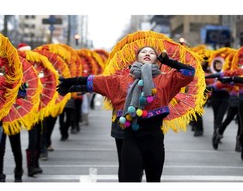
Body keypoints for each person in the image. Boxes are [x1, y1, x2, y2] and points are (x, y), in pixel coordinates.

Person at [57, 46, 195, 182]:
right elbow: (96, 81)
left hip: (155, 140)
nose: (147, 54)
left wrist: (168, 62)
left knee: (154, 180)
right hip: (131, 139)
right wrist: (70, 82)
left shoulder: (167, 80)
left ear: (157, 59)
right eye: (143, 52)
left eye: (152, 53)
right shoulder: (120, 80)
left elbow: (189, 72)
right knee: (130, 180)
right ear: (137, 57)